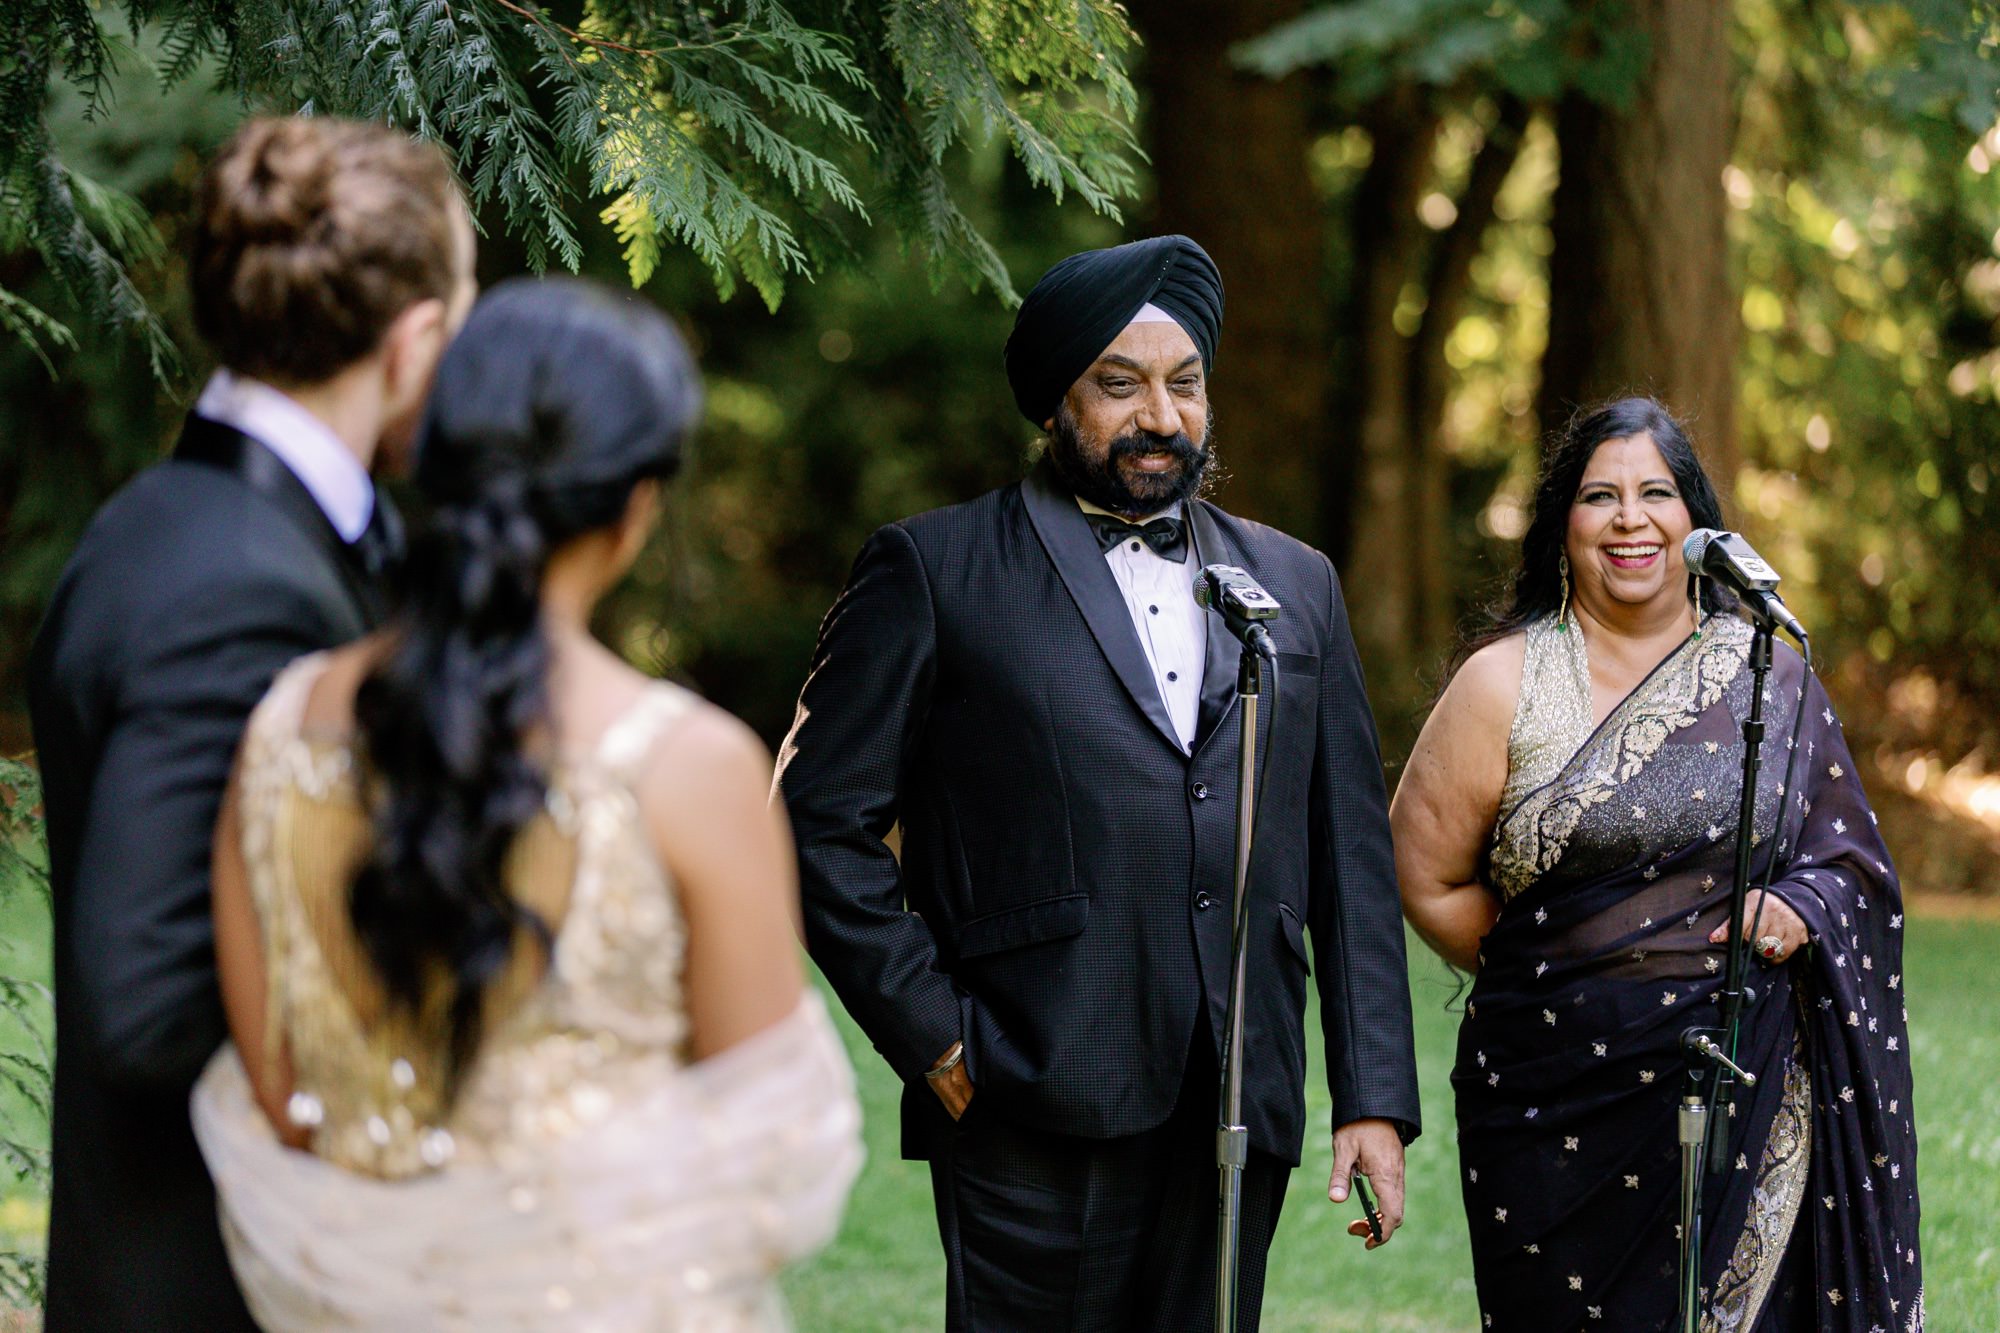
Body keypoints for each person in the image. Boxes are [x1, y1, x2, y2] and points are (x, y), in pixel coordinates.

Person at [188, 277, 862, 1329]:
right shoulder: (686, 766)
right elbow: (777, 1149)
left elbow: (282, 1099)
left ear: (432, 457)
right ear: (637, 505)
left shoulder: (279, 730)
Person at [776, 234, 1420, 1331]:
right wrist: (935, 1037)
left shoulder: (1295, 583)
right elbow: (816, 823)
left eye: (1183, 383)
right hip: (1024, 1091)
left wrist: (1370, 1098)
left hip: (1234, 1095)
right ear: (1053, 403)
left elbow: (1347, 855)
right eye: (1117, 385)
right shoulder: (934, 569)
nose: (1158, 416)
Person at [26, 116, 476, 1329]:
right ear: (416, 336)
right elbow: (148, 998)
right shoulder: (236, 586)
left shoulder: (175, 525)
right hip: (216, 1281)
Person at [1394, 397, 1922, 1331]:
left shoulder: (1770, 670)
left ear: (1697, 521)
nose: (1630, 518)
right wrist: (1558, 974)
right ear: (1566, 522)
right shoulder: (1504, 681)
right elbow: (1423, 872)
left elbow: (1855, 867)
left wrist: (1800, 905)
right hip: (1550, 1107)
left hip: (1752, 1094)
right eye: (1601, 495)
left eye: (1656, 493)